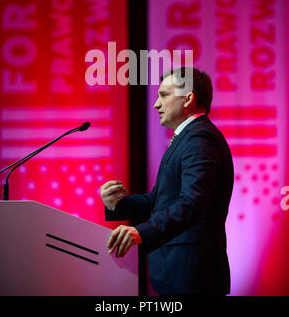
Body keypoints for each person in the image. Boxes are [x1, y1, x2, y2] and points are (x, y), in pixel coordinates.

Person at [100, 67, 234, 295]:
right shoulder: (188, 137)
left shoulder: (200, 138)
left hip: (192, 274)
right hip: (180, 272)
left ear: (188, 99)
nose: (156, 104)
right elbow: (160, 201)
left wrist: (141, 232)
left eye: (164, 95)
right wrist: (117, 204)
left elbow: (192, 204)